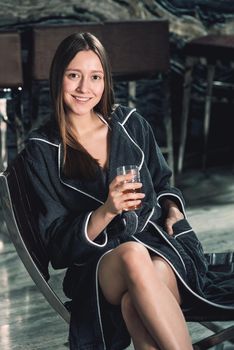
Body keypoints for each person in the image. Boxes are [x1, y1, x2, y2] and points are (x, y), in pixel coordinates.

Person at [24, 32, 234, 350]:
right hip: (99, 265)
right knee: (133, 257)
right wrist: (107, 210)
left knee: (133, 307)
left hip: (159, 246)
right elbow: (58, 247)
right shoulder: (42, 149)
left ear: (106, 81)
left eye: (95, 77)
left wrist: (174, 211)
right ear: (58, 78)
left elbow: (163, 182)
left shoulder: (129, 124)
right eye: (73, 76)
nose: (84, 88)